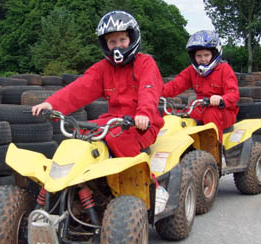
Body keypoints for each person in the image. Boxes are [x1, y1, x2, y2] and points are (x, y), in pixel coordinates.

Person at [32, 10, 164, 157]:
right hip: (112, 121)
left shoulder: (145, 63)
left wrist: (144, 113)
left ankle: (140, 179)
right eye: (112, 42)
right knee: (80, 135)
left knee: (118, 139)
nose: (117, 46)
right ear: (105, 44)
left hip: (143, 124)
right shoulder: (102, 68)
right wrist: (51, 105)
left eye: (122, 40)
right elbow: (79, 88)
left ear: (132, 38)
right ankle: (91, 180)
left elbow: (149, 90)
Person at [163, 30, 239, 141]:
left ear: (214, 54)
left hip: (223, 111)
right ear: (193, 57)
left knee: (211, 113)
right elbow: (175, 85)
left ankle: (216, 152)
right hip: (199, 108)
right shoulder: (192, 71)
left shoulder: (224, 69)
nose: (203, 59)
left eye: (206, 55)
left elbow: (234, 93)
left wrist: (221, 99)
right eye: (199, 56)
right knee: (172, 115)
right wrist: (154, 92)